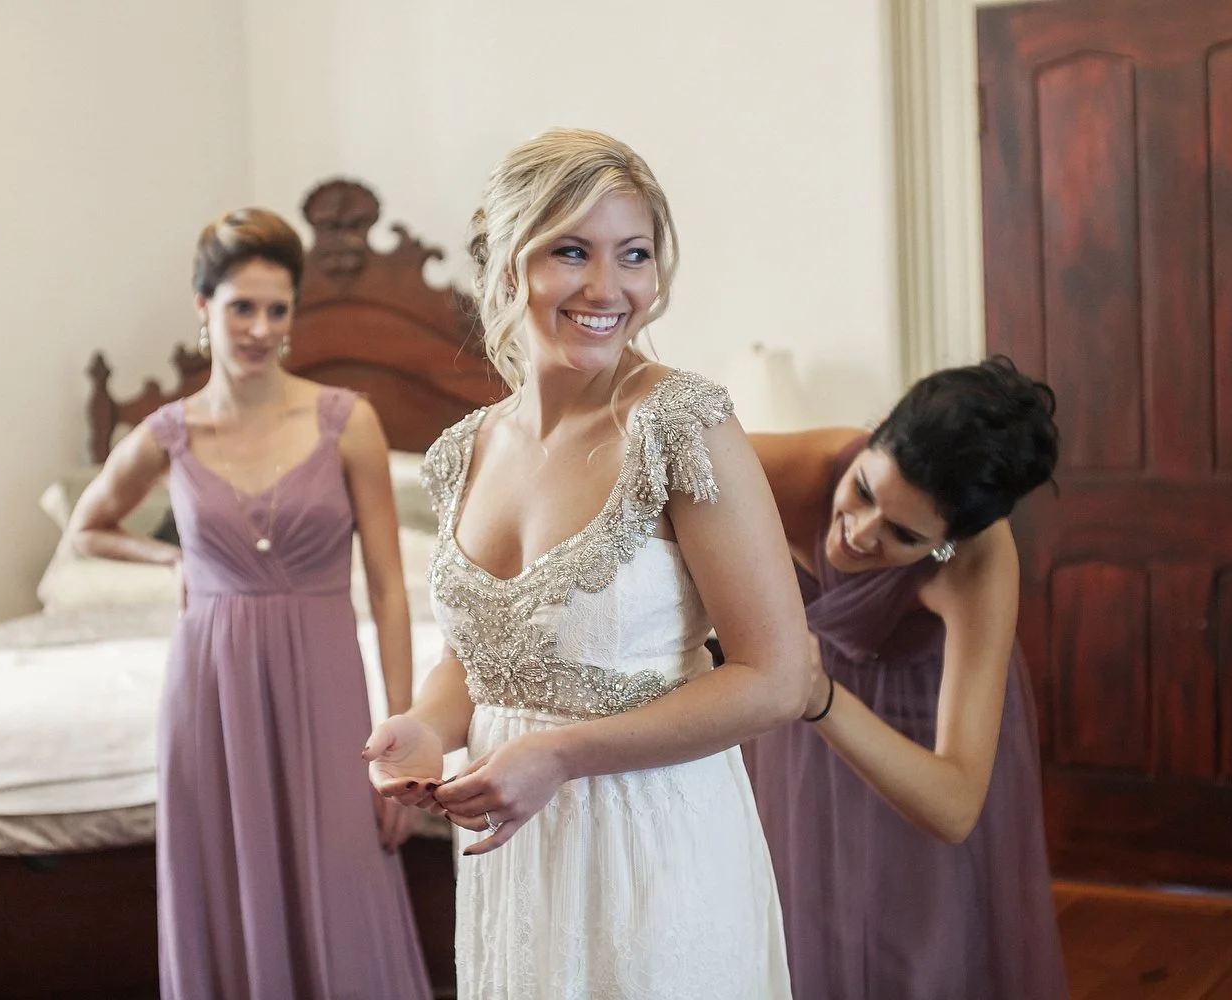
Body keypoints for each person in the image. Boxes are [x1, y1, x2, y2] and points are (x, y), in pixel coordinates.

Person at [361, 128, 813, 999]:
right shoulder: (463, 452)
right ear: (504, 264)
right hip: (514, 863)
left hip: (655, 848)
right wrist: (427, 725)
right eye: (572, 251)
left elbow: (776, 676)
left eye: (633, 255)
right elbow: (488, 655)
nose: (608, 289)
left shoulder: (682, 424)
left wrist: (561, 756)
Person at [67, 208, 430, 999]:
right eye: (242, 307)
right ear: (203, 308)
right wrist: (171, 555)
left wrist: (404, 740)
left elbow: (390, 587)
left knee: (343, 882)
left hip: (325, 683)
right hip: (210, 692)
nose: (261, 328)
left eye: (277, 309)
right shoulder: (168, 434)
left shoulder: (348, 422)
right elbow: (85, 528)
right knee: (226, 890)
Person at [744, 356, 1069, 999]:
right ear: (877, 432)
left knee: (917, 939)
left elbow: (954, 808)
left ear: (950, 542)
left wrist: (820, 698)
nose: (857, 535)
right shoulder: (789, 471)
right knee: (801, 912)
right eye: (864, 490)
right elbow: (635, 473)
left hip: (918, 729)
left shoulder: (978, 565)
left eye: (903, 535)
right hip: (796, 718)